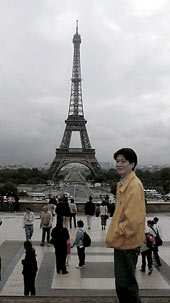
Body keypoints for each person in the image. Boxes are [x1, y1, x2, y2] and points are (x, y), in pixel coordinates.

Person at [105, 148, 146, 303]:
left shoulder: (133, 186)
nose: (119, 164)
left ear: (132, 164)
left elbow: (133, 219)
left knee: (126, 287)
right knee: (124, 285)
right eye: (117, 161)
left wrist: (118, 232)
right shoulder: (126, 183)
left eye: (123, 161)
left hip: (126, 242)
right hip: (124, 242)